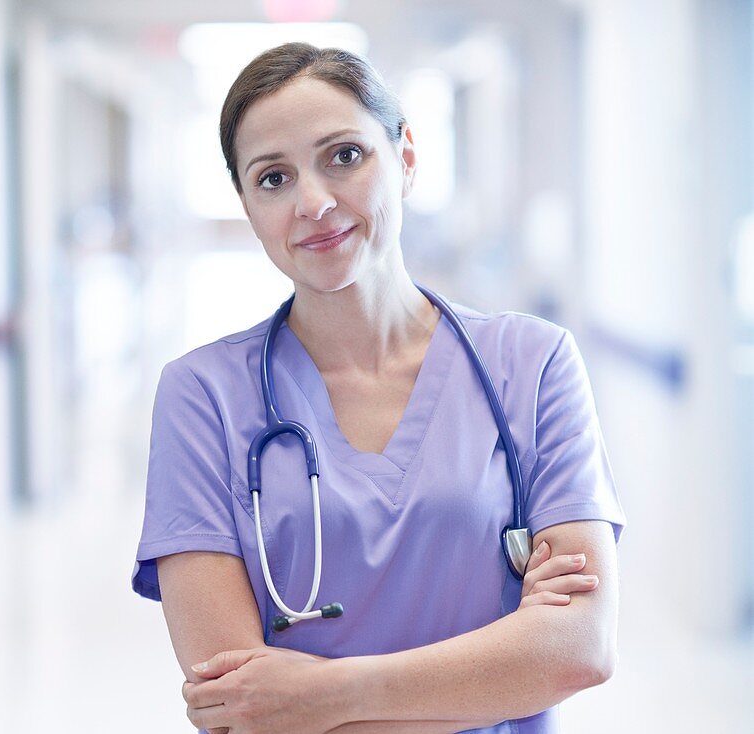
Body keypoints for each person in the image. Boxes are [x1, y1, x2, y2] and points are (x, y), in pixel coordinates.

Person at [131, 42, 626, 733]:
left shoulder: (533, 364)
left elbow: (579, 649)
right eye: (273, 178)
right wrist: (501, 668)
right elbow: (236, 709)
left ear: (406, 159)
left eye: (344, 156)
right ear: (245, 205)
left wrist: (319, 697)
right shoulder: (201, 396)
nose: (313, 201)